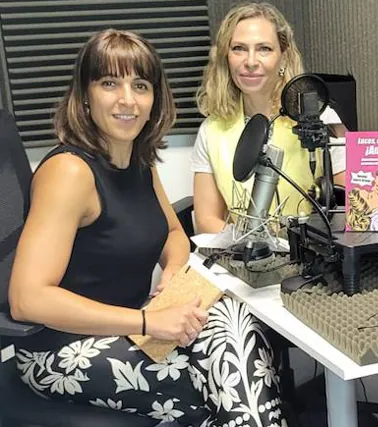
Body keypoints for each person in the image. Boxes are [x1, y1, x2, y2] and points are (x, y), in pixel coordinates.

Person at [8, 29, 286, 427]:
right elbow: (27, 300)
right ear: (84, 96)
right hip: (60, 350)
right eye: (109, 83)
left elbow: (174, 234)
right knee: (212, 388)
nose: (127, 100)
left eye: (140, 85)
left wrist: (173, 272)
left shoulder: (136, 159)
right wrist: (146, 322)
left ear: (155, 97)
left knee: (234, 324)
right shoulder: (68, 172)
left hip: (134, 327)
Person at [192, 1, 347, 234]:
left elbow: (354, 206)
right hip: (245, 254)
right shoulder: (211, 130)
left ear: (283, 58)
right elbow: (207, 219)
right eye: (239, 48)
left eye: (264, 48)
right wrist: (255, 245)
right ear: (226, 57)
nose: (251, 61)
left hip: (311, 254)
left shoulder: (321, 118)